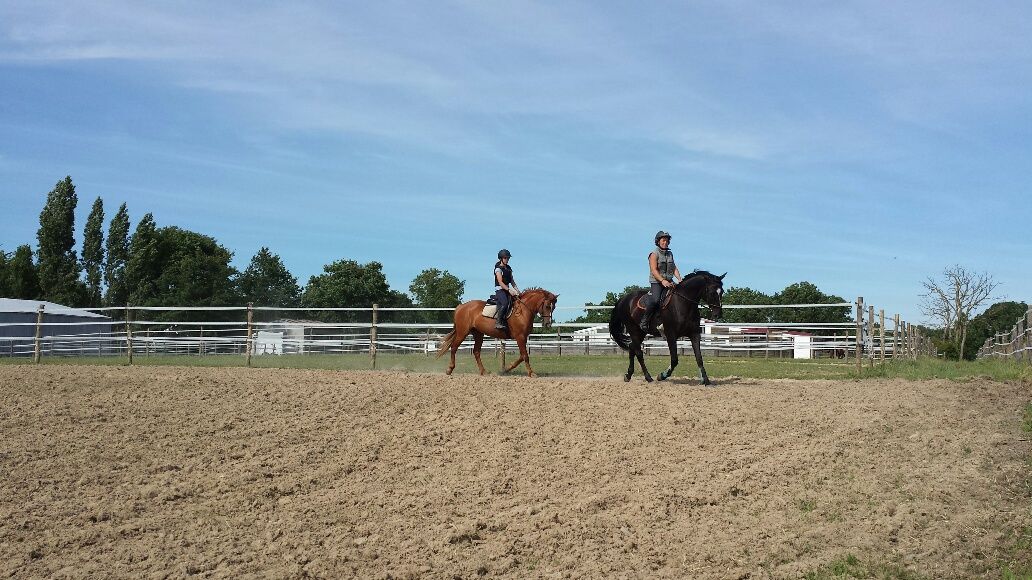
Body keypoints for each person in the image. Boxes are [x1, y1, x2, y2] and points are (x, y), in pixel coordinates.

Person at [640, 231, 682, 333]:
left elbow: (674, 267)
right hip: (657, 282)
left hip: (669, 281)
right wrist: (662, 281)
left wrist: (680, 279)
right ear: (658, 241)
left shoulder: (670, 254)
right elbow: (654, 270)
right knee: (655, 300)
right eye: (663, 240)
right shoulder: (654, 254)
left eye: (667, 241)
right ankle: (644, 321)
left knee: (678, 297)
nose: (665, 242)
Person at [493, 249, 520, 330]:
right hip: (500, 290)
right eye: (505, 258)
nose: (507, 260)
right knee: (505, 303)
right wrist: (509, 290)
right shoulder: (498, 269)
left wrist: (518, 291)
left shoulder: (508, 268)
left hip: (507, 289)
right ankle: (498, 322)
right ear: (501, 258)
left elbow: (512, 281)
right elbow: (500, 282)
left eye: (508, 258)